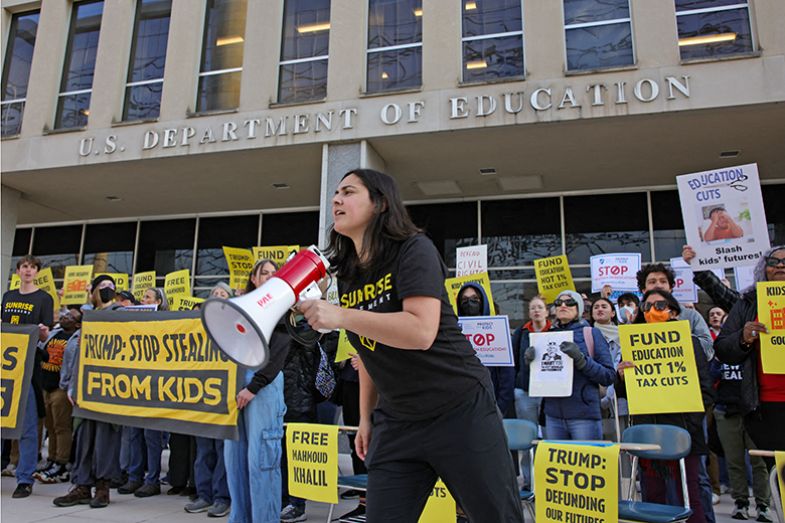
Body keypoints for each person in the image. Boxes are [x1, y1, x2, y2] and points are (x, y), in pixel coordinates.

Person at [299, 169, 523, 522]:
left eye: (348, 192)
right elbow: (371, 350)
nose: (336, 199)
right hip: (398, 421)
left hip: (460, 409)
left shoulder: (413, 249)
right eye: (335, 194)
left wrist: (341, 316)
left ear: (381, 203)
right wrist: (367, 418)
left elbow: (420, 331)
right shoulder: (349, 275)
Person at [616, 289, 713, 523]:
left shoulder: (690, 344)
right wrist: (620, 377)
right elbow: (625, 394)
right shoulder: (634, 344)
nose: (652, 311)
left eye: (659, 306)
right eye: (647, 306)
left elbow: (707, 392)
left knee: (690, 496)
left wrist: (686, 426)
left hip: (684, 434)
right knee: (653, 495)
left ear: (673, 311)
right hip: (649, 430)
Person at [225, 258, 289, 523]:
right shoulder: (239, 307)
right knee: (235, 461)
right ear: (253, 277)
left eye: (274, 273)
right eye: (264, 273)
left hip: (263, 385)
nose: (269, 276)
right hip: (234, 382)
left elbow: (281, 349)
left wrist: (254, 386)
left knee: (262, 459)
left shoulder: (281, 308)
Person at [54, 275, 123, 508]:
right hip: (85, 387)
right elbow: (79, 358)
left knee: (105, 438)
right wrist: (73, 386)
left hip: (110, 388)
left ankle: (103, 488)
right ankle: (82, 486)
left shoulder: (120, 315)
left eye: (111, 287)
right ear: (93, 292)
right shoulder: (86, 320)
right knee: (84, 438)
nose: (107, 290)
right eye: (102, 287)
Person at [715, 247, 785, 463]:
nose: (781, 266)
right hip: (766, 406)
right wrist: (743, 339)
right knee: (780, 475)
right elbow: (723, 348)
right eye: (774, 262)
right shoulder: (747, 302)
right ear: (764, 268)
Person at [520, 291, 615, 440]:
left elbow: (608, 376)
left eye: (569, 302)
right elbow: (537, 380)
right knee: (556, 464)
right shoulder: (546, 336)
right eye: (558, 303)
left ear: (579, 308)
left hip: (584, 417)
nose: (563, 305)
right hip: (553, 417)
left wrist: (582, 361)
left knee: (586, 462)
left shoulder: (591, 333)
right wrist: (531, 363)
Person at [1, 255, 54, 498]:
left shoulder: (44, 298)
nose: (28, 271)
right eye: (24, 267)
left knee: (28, 424)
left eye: (32, 267)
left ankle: (25, 478)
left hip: (29, 368)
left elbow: (45, 337)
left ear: (37, 272)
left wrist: (43, 333)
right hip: (5, 366)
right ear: (19, 271)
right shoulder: (8, 296)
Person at [280, 314, 338, 523]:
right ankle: (285, 501)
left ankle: (296, 504)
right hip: (288, 402)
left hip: (299, 403)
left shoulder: (305, 331)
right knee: (282, 458)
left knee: (295, 460)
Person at [183, 283, 234, 517]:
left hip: (224, 399)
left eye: (223, 295)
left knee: (222, 450)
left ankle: (222, 497)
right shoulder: (197, 327)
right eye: (215, 294)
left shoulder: (235, 327)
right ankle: (204, 495)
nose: (218, 297)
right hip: (202, 397)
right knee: (204, 451)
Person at [119, 287, 170, 497]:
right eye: (143, 297)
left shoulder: (167, 324)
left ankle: (152, 480)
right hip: (135, 384)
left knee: (151, 436)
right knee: (134, 434)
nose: (143, 300)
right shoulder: (136, 322)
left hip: (155, 387)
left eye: (148, 297)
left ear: (158, 301)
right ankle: (134, 477)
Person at [34, 306, 82, 484]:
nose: (65, 317)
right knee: (51, 426)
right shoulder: (55, 333)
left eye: (70, 316)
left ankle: (62, 464)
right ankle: (52, 459)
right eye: (65, 314)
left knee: (62, 427)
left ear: (77, 324)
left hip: (61, 387)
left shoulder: (77, 338)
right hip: (46, 385)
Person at [457, 283, 515, 417]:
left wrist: (500, 407)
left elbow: (507, 375)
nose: (469, 303)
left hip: (491, 404)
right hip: (462, 406)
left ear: (482, 301)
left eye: (474, 299)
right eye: (464, 300)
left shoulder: (498, 330)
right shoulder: (454, 331)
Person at [512, 295, 549, 489]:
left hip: (549, 392)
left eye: (540, 307)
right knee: (528, 436)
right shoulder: (521, 332)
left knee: (548, 438)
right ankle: (529, 481)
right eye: (533, 308)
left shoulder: (554, 331)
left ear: (546, 311)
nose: (536, 311)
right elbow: (514, 362)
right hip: (525, 391)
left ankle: (547, 480)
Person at [590, 297, 628, 443]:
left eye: (604, 306)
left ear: (613, 313)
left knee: (621, 440)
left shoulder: (625, 335)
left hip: (617, 397)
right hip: (594, 395)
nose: (600, 309)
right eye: (596, 307)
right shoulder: (586, 334)